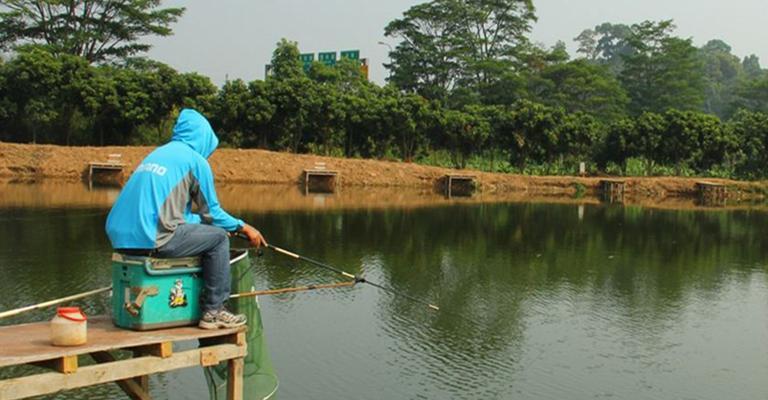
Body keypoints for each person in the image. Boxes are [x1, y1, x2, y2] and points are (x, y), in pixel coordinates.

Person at [105, 109, 267, 329]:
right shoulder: (194, 160)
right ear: (204, 139)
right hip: (153, 236)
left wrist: (204, 227)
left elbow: (177, 214)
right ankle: (213, 312)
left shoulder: (158, 154)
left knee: (211, 234)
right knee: (219, 238)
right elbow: (212, 214)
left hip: (122, 239)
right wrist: (244, 227)